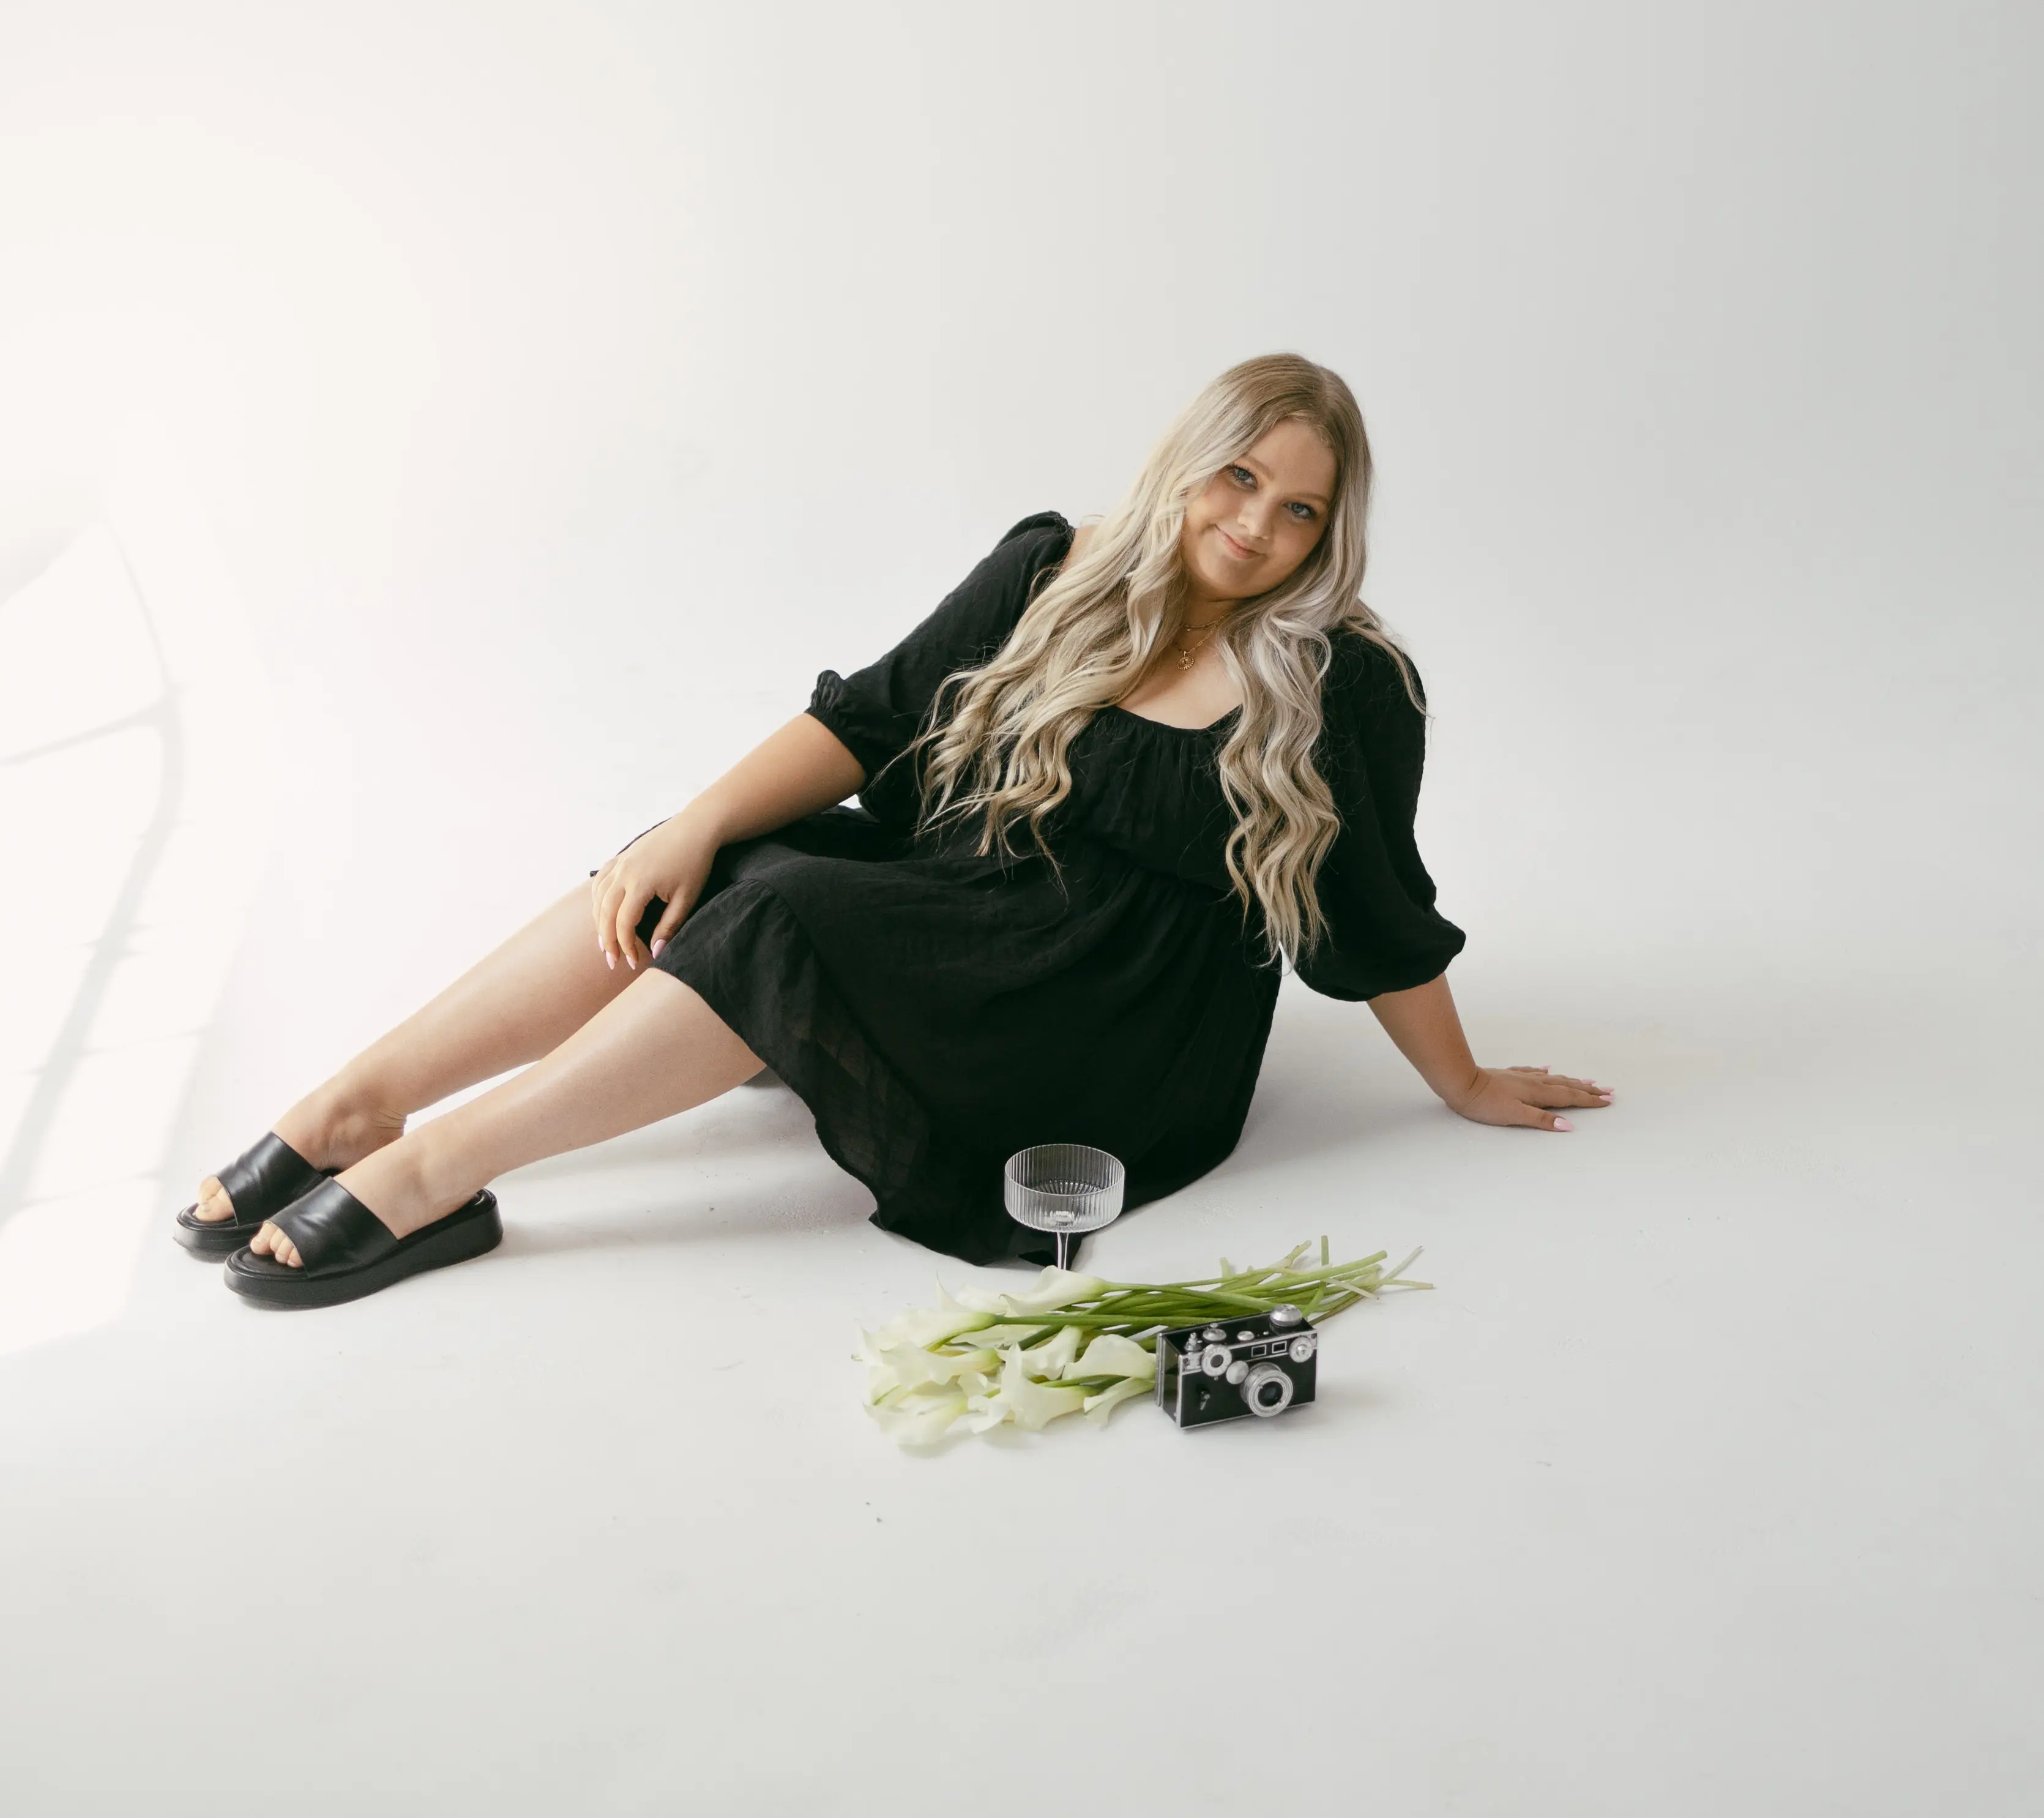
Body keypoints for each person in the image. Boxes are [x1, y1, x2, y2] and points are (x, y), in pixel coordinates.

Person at [176, 351, 1611, 1308]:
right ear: (1190, 464)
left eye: (1298, 512)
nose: (1255, 529)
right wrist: (683, 827)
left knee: (786, 919)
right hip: (961, 899)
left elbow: (1375, 908)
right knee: (714, 863)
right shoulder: (1051, 568)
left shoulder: (1346, 685)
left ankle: (438, 1172)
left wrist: (1463, 1077)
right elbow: (867, 722)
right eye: (1240, 480)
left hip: (1104, 1016)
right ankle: (353, 1107)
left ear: (1326, 536)